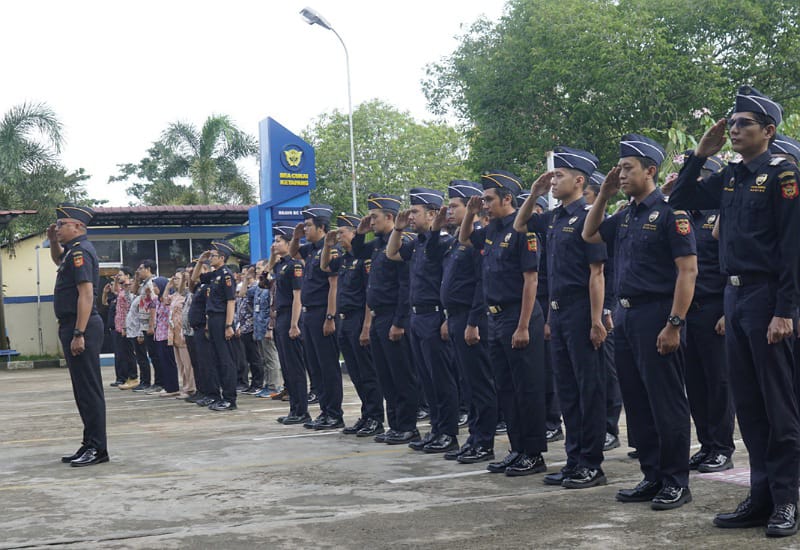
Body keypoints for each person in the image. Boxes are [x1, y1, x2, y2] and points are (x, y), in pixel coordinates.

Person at [670, 86, 800, 536]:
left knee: (779, 406)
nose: (735, 129)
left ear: (768, 131)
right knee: (748, 405)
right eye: (732, 123)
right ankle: (760, 496)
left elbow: (791, 248)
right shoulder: (731, 176)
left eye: (744, 123)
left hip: (768, 299)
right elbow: (680, 197)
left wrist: (785, 310)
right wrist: (701, 151)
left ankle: (786, 500)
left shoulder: (783, 174)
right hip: (735, 296)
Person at [582, 134, 697, 510]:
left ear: (650, 170)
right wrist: (604, 193)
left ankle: (676, 481)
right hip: (627, 316)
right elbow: (589, 233)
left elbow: (687, 271)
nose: (622, 174)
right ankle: (652, 475)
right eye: (619, 168)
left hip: (657, 315)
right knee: (638, 402)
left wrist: (675, 323)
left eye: (628, 168)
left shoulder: (669, 213)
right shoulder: (626, 215)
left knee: (666, 402)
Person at [516, 146, 609, 489]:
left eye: (559, 176)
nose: (553, 180)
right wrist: (536, 193)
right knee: (568, 391)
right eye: (553, 176)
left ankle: (592, 463)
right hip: (559, 312)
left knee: (590, 391)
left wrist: (597, 320)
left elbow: (596, 273)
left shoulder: (589, 216)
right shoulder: (554, 219)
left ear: (579, 180)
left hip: (583, 310)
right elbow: (520, 222)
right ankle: (574, 460)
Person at [459, 170, 547, 477]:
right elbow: (464, 238)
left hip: (518, 315)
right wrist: (470, 214)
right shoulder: (492, 229)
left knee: (527, 388)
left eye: (488, 199)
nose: (484, 204)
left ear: (507, 198)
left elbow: (530, 280)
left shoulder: (522, 229)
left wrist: (523, 326)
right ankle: (517, 449)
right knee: (506, 389)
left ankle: (534, 453)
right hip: (495, 317)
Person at [668, 155, 736, 474]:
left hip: (714, 309)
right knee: (695, 383)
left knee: (718, 382)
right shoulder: (682, 217)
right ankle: (706, 443)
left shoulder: (719, 214)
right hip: (688, 312)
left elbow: (728, 264)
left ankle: (722, 447)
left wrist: (726, 311)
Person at [387, 188, 460, 454]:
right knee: (427, 380)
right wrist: (397, 228)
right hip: (417, 316)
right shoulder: (417, 242)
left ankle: (448, 433)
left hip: (435, 314)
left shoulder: (442, 241)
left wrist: (446, 317)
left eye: (415, 212)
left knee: (441, 379)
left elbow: (447, 281)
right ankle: (436, 428)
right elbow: (392, 254)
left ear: (432, 214)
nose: (411, 216)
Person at [352, 193, 420, 445]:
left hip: (394, 315)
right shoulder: (378, 243)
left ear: (390, 217)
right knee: (386, 377)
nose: (371, 222)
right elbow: (357, 252)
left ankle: (408, 426)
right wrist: (359, 233)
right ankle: (394, 425)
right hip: (379, 316)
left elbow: (405, 285)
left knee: (402, 375)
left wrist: (399, 322)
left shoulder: (402, 242)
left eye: (374, 217)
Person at [437, 180, 497, 464]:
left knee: (480, 384)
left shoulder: (477, 241)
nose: (450, 211)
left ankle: (484, 442)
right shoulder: (457, 242)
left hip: (474, 320)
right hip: (457, 317)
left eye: (455, 206)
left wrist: (473, 321)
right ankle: (473, 437)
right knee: (467, 383)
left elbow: (479, 284)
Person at [48, 203, 108, 467]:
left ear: (78, 227)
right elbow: (58, 259)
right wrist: (52, 240)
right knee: (81, 390)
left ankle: (98, 449)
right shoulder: (72, 252)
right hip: (73, 326)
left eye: (62, 225)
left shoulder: (82, 252)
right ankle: (89, 442)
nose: (58, 228)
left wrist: (78, 333)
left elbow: (86, 294)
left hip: (81, 326)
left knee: (89, 390)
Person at [321, 213, 385, 437]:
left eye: (343, 232)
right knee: (356, 374)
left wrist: (367, 325)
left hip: (359, 318)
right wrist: (328, 246)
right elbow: (326, 267)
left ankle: (376, 417)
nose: (339, 236)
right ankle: (366, 414)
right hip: (345, 320)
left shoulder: (365, 256)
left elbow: (369, 293)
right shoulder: (345, 259)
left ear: (356, 232)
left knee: (367, 373)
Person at [289, 205, 344, 430]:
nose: (305, 229)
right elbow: (293, 252)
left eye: (309, 226)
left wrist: (330, 317)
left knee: (328, 366)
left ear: (321, 227)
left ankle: (334, 414)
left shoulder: (330, 249)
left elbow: (333, 285)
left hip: (323, 313)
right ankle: (324, 411)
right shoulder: (310, 250)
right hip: (309, 314)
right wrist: (295, 236)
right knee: (315, 367)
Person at [192, 240, 238, 411]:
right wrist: (201, 261)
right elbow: (195, 278)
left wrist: (228, 325)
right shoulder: (215, 274)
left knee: (226, 360)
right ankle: (218, 396)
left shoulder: (226, 275)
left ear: (222, 257)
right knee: (216, 359)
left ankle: (230, 399)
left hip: (221, 319)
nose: (210, 258)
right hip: (211, 319)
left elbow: (231, 301)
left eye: (213, 256)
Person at [271, 225, 310, 424]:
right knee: (286, 367)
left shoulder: (295, 265)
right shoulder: (281, 265)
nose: (274, 244)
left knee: (295, 366)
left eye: (278, 241)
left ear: (288, 243)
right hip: (281, 317)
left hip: (290, 316)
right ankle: (294, 409)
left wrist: (294, 324)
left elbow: (297, 297)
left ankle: (302, 410)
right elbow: (268, 273)